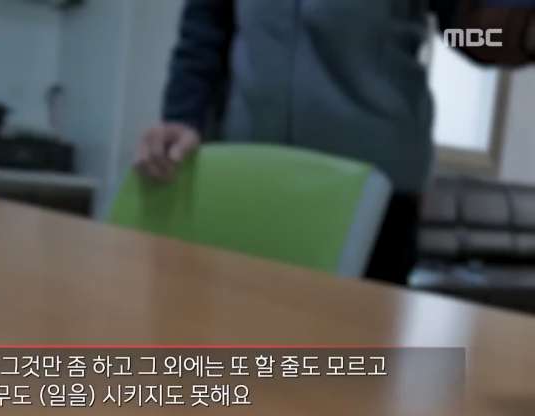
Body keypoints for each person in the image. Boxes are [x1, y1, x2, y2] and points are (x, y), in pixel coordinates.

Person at [136, 0, 535, 285]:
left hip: (372, 191)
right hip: (247, 177)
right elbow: (206, 28)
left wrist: (522, 31)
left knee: (351, 367)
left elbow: (465, 29)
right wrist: (182, 116)